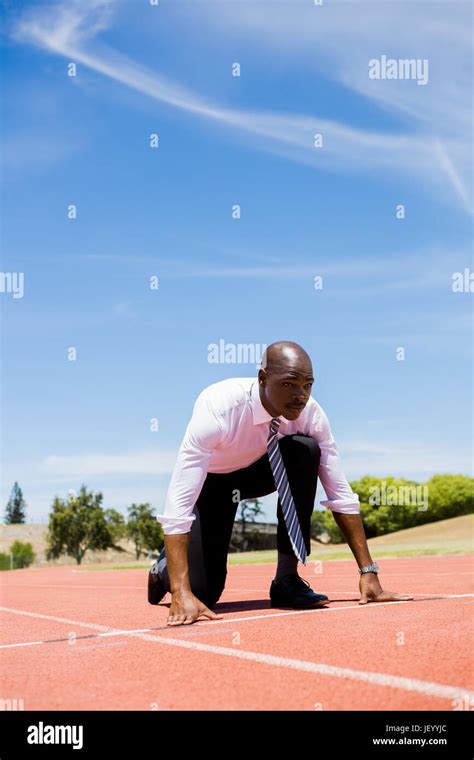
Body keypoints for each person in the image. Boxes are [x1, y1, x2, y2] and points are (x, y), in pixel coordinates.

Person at [148, 341, 413, 626]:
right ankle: (163, 568)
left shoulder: (311, 414)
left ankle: (287, 579)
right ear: (263, 378)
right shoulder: (219, 407)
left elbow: (339, 492)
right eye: (289, 384)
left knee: (305, 450)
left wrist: (368, 571)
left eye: (307, 385)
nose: (300, 395)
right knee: (203, 593)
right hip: (212, 483)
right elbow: (179, 500)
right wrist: (180, 590)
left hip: (260, 472)